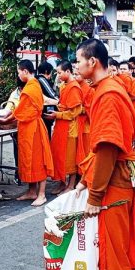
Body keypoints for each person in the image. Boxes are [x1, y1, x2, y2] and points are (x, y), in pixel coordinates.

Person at [74, 38, 135, 270]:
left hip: (114, 185)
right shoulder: (107, 89)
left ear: (92, 62)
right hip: (113, 177)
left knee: (116, 252)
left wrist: (95, 195)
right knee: (103, 249)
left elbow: (107, 147)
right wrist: (86, 179)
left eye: (79, 60)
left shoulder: (107, 94)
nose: (76, 65)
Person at [0, 60, 54, 206]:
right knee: (28, 160)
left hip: (34, 129)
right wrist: (8, 119)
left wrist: (6, 120)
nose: (18, 75)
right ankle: (32, 191)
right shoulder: (31, 85)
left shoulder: (31, 88)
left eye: (18, 72)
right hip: (26, 128)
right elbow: (21, 109)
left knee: (38, 160)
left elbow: (22, 110)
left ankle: (41, 194)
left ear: (25, 71)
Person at [45, 61, 85, 193]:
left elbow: (75, 112)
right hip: (61, 125)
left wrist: (57, 114)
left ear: (68, 71)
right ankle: (62, 182)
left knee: (70, 158)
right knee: (59, 155)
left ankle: (70, 185)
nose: (58, 75)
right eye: (57, 72)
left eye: (60, 72)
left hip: (70, 128)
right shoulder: (64, 85)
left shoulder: (74, 87)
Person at [37, 61, 59, 136]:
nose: (50, 76)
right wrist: (60, 101)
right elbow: (51, 94)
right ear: (46, 71)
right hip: (45, 111)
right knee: (46, 132)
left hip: (42, 110)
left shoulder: (36, 79)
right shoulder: (42, 79)